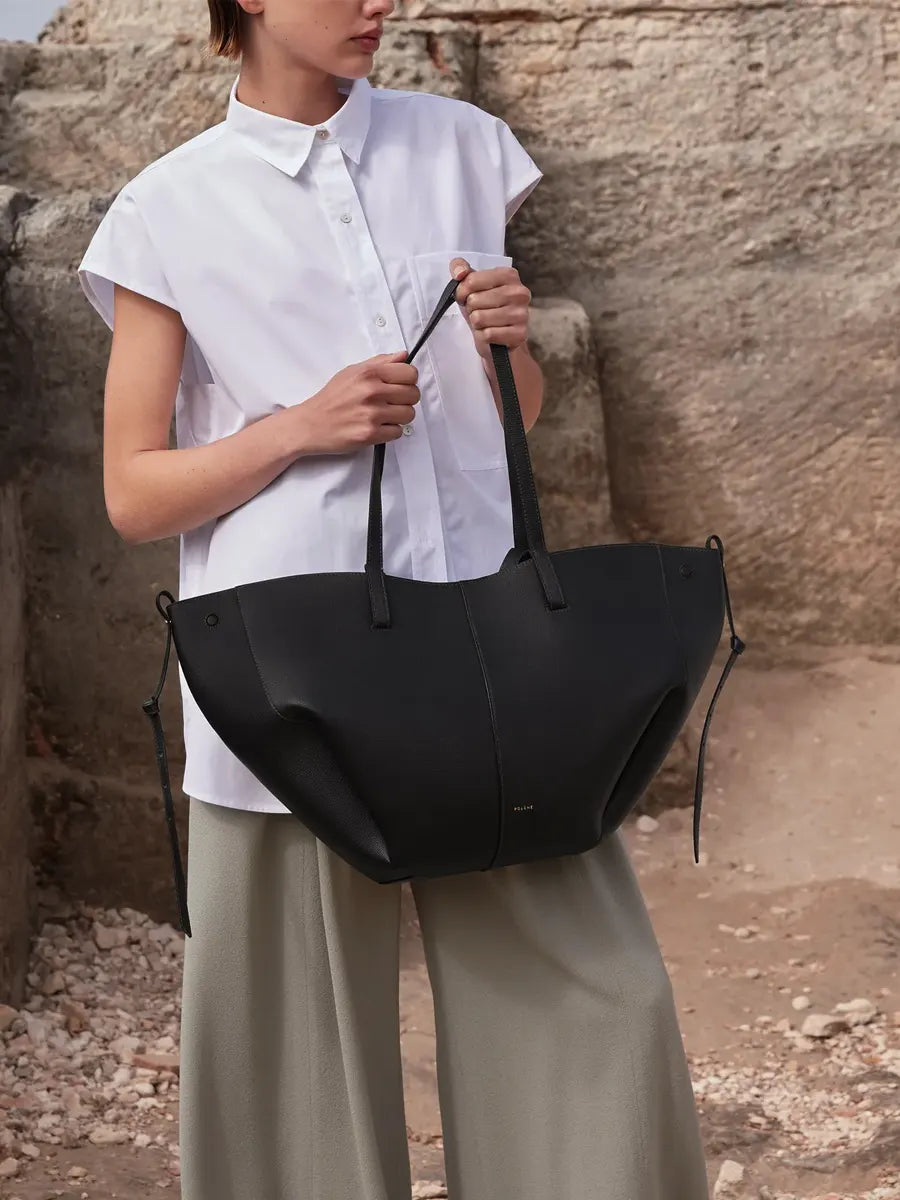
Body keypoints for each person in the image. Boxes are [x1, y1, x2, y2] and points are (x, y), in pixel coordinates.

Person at [75, 1, 711, 1197]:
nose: (380, 3)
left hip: (491, 658)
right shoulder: (165, 210)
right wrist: (298, 428)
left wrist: (510, 351)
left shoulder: (463, 148)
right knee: (291, 1067)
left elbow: (512, 417)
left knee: (601, 997)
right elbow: (132, 493)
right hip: (287, 678)